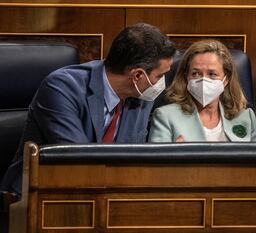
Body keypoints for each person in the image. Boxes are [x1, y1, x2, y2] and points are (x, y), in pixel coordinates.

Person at [1, 23, 176, 197]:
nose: (161, 84)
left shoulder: (141, 96)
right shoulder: (62, 87)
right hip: (40, 198)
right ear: (137, 75)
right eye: (160, 76)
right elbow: (79, 161)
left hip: (105, 196)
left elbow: (135, 158)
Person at [149, 39, 256, 142]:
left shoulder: (246, 118)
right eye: (195, 73)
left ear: (226, 80)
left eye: (212, 74)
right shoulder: (165, 117)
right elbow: (156, 162)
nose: (203, 80)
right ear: (186, 77)